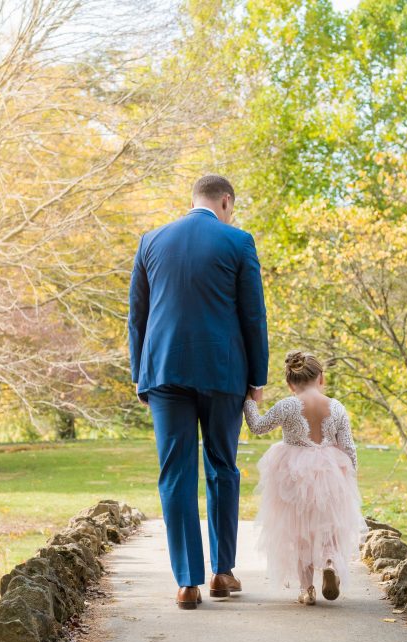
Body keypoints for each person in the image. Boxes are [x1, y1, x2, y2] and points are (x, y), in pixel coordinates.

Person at [128, 174, 269, 610]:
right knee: (222, 467)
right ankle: (222, 572)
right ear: (225, 201)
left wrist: (141, 373)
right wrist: (257, 378)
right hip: (223, 372)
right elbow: (253, 315)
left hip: (164, 371)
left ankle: (186, 581)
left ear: (194, 200)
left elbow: (137, 316)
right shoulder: (239, 242)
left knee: (175, 473)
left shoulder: (151, 241)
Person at [243, 351, 367, 605]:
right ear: (321, 377)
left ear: (290, 383)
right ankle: (330, 563)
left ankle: (306, 589)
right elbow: (349, 447)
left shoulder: (287, 406)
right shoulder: (336, 407)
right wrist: (348, 477)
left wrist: (249, 399)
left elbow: (257, 426)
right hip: (330, 474)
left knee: (298, 530)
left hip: (293, 474)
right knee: (330, 526)